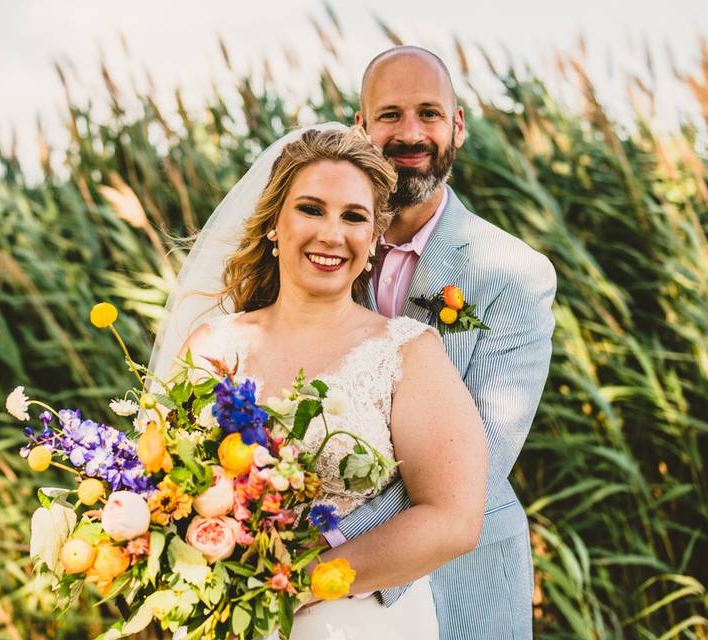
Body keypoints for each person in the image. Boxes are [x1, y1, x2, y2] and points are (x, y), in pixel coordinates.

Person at [175, 127, 487, 639]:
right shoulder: (212, 348)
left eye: (353, 217)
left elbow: (454, 518)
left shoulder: (408, 352)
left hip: (351, 621)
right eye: (311, 209)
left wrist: (302, 581)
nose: (331, 233)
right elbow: (161, 485)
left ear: (372, 240)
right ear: (275, 224)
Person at [329, 46, 557, 639]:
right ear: (360, 128)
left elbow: (476, 463)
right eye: (390, 115)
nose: (411, 133)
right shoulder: (317, 253)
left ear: (457, 125)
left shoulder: (513, 274)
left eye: (430, 113)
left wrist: (323, 551)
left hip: (462, 582)